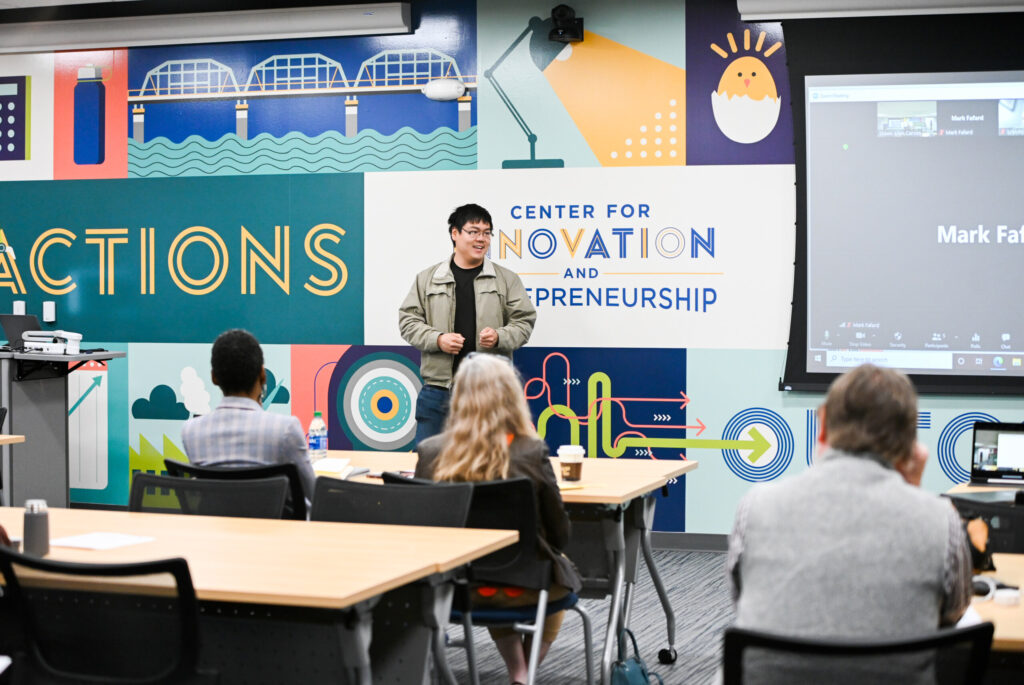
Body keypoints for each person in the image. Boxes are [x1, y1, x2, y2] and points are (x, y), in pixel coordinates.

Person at [726, 364, 973, 684]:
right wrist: (912, 495)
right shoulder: (941, 518)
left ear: (822, 427)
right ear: (910, 443)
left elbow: (742, 599)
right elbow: (952, 614)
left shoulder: (755, 506)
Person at [414, 354, 580, 685]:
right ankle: (523, 674)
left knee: (487, 567)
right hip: (526, 586)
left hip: (455, 589)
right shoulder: (530, 452)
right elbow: (558, 535)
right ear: (510, 396)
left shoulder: (430, 452)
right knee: (558, 568)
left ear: (458, 397)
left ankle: (518, 669)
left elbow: (421, 530)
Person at [399, 203, 536, 446]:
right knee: (430, 463)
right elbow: (408, 321)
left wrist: (500, 336)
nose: (481, 239)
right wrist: (438, 339)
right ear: (455, 233)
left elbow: (524, 322)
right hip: (438, 392)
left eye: (486, 233)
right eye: (473, 232)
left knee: (491, 462)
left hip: (490, 392)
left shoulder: (507, 279)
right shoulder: (427, 279)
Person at [181, 328, 316, 503]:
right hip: (274, 521)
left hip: (216, 521)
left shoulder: (191, 432)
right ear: (263, 375)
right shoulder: (285, 430)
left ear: (214, 377)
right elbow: (313, 493)